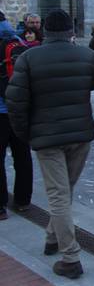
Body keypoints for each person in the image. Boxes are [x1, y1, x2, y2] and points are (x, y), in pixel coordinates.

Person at [6, 10, 94, 279]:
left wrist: (25, 133)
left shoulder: (29, 58)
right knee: (65, 190)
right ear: (71, 30)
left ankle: (70, 257)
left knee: (59, 194)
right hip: (80, 133)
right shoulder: (86, 56)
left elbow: (15, 100)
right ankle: (53, 237)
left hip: (47, 136)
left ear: (44, 30)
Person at [0, 15, 32, 221]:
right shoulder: (19, 41)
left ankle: (0, 205)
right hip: (20, 108)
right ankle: (22, 200)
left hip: (0, 110)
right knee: (22, 155)